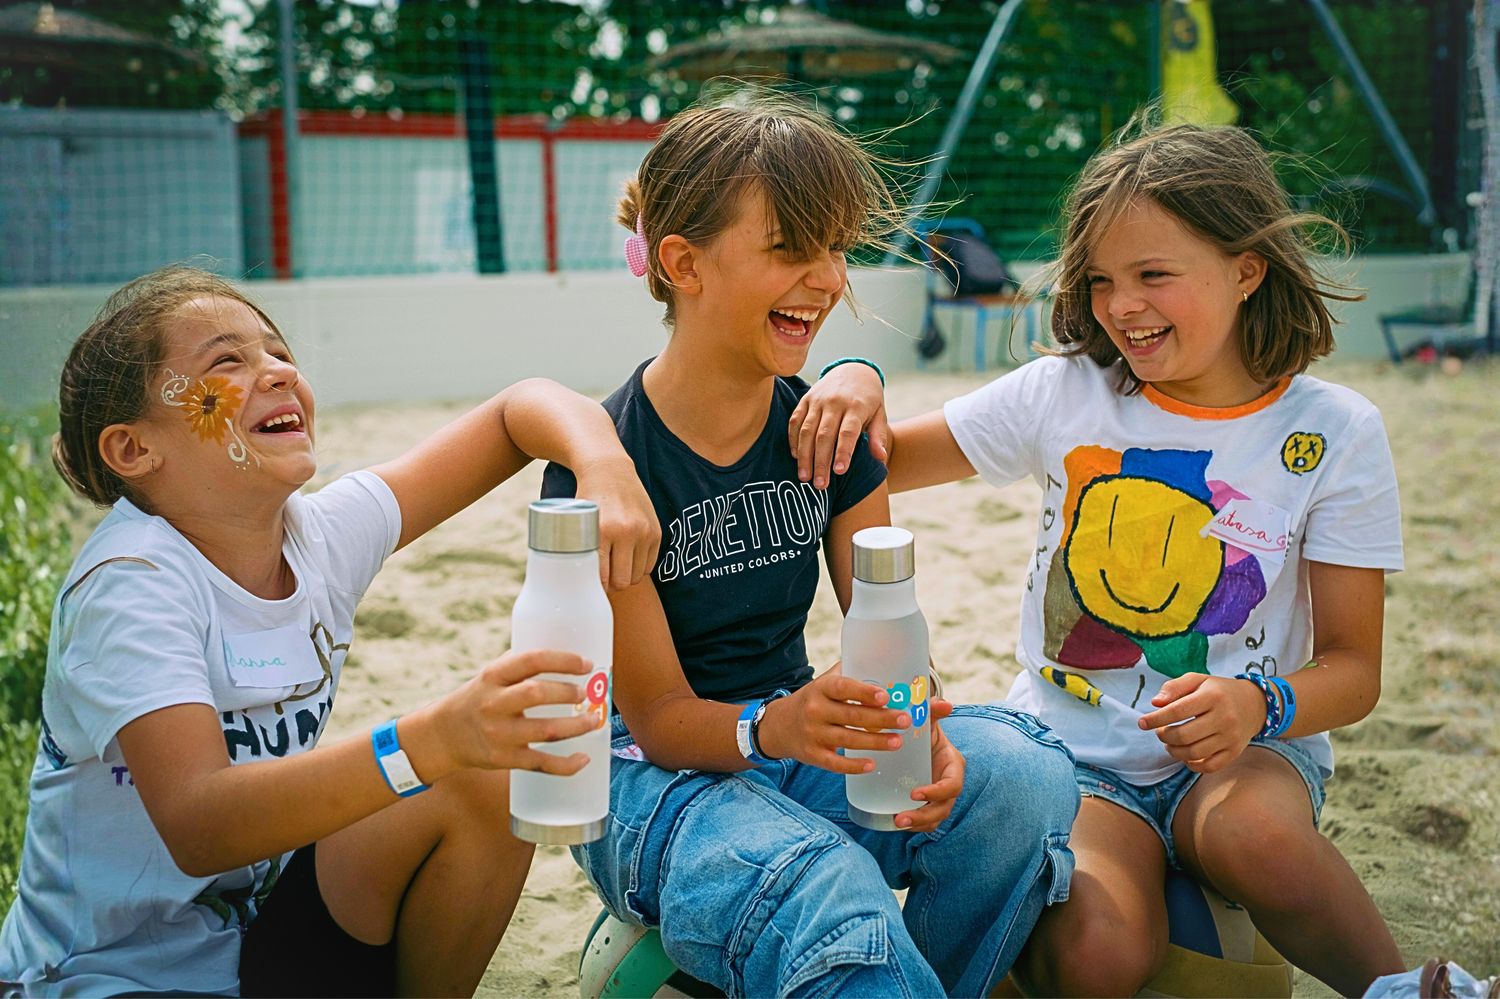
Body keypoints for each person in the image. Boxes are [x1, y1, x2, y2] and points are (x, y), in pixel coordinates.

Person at [792, 120, 1408, 996]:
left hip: (1248, 753)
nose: (1122, 305)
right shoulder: (1064, 392)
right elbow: (873, 458)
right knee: (1099, 955)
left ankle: (1413, 987)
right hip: (1074, 756)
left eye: (1154, 275)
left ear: (1247, 269)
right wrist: (859, 375)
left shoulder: (1334, 429)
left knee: (1257, 838)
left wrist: (1257, 703)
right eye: (1102, 280)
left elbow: (1354, 668)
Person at [541, 88, 1080, 998]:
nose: (830, 278)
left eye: (836, 247)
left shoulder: (826, 434)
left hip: (793, 746)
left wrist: (921, 729)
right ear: (683, 263)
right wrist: (774, 724)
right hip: (650, 782)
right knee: (828, 881)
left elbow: (890, 634)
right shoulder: (609, 465)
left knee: (1020, 780)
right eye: (792, 247)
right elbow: (660, 717)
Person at [0, 266, 659, 998]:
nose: (278, 371)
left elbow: (515, 413)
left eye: (279, 352)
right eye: (227, 363)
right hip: (111, 974)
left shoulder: (319, 534)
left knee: (485, 775)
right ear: (134, 450)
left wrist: (603, 463)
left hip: (256, 939)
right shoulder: (131, 582)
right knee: (454, 751)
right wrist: (431, 739)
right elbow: (200, 825)